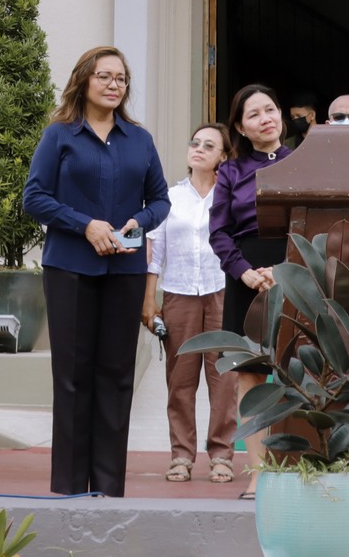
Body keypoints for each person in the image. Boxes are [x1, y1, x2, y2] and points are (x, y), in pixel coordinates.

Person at [22, 46, 170, 497]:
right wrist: (85, 225)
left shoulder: (140, 140)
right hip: (70, 267)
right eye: (104, 76)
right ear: (84, 80)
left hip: (125, 271)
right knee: (72, 376)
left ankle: (109, 486)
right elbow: (34, 198)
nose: (113, 84)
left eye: (121, 78)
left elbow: (161, 200)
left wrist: (138, 223)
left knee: (117, 375)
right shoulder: (60, 135)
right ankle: (68, 486)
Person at [209, 83, 291, 499]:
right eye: (254, 114)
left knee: (301, 369)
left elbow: (317, 222)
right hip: (246, 278)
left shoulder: (303, 162)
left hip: (294, 272)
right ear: (241, 126)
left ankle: (298, 466)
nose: (266, 118)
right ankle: (259, 472)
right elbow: (219, 233)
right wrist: (244, 272)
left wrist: (286, 268)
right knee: (251, 376)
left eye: (270, 109)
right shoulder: (230, 171)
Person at [144, 123, 237, 484]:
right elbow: (155, 253)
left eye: (208, 145)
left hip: (221, 293)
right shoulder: (170, 198)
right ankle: (181, 455)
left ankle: (222, 455)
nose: (198, 149)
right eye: (194, 142)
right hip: (179, 293)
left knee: (224, 380)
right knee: (180, 381)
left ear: (223, 157)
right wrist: (149, 300)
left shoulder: (229, 198)